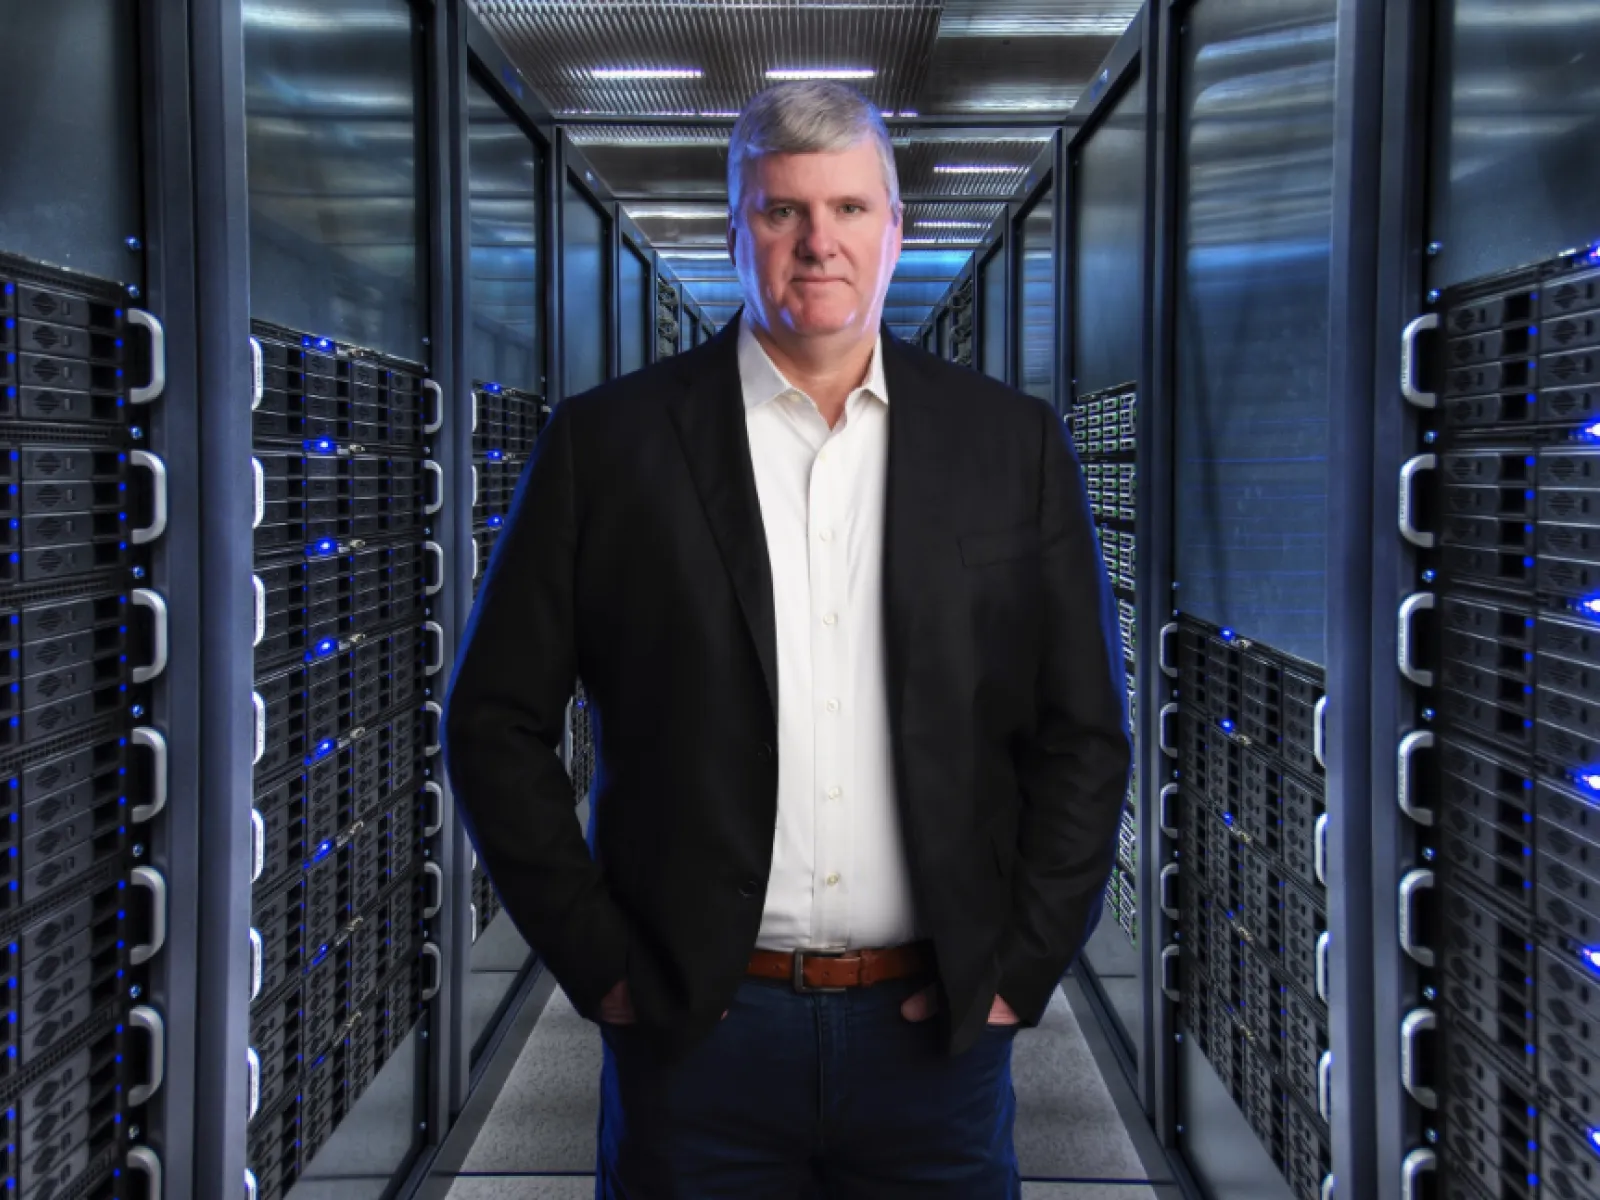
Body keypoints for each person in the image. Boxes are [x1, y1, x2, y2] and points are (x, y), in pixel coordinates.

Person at [443, 79, 1131, 1200]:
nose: (820, 243)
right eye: (782, 211)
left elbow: (1083, 736)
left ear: (895, 231)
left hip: (936, 1041)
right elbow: (493, 724)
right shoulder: (607, 448)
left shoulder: (1010, 448)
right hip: (698, 1037)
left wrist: (1019, 967)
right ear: (736, 230)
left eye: (851, 210)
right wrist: (603, 967)